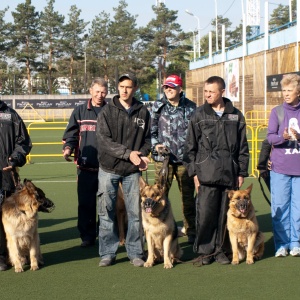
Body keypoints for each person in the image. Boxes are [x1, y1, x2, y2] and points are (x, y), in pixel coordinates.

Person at [183, 76, 249, 265]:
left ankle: (221, 250)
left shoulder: (236, 115)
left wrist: (241, 172)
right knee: (205, 215)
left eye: (211, 91)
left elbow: (243, 147)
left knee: (223, 217)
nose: (207, 95)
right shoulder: (198, 115)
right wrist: (194, 173)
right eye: (205, 91)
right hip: (206, 175)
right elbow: (190, 147)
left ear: (222, 92)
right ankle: (205, 251)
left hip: (229, 174)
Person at [96, 72, 151, 267]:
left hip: (132, 171)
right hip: (109, 168)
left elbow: (147, 140)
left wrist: (143, 154)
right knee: (106, 211)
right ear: (117, 88)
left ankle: (135, 252)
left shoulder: (143, 112)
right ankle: (108, 253)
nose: (124, 90)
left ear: (135, 88)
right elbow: (104, 141)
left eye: (128, 87)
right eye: (121, 87)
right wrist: (129, 154)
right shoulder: (107, 111)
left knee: (135, 212)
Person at [62, 78, 108, 248]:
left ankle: (105, 235)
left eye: (103, 92)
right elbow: (71, 134)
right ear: (90, 91)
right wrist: (68, 148)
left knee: (107, 204)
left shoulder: (111, 110)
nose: (100, 95)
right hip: (85, 167)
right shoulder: (80, 111)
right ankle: (87, 236)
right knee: (86, 204)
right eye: (97, 91)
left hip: (107, 168)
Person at [151, 74, 196, 244]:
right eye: (166, 87)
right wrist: (156, 145)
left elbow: (196, 134)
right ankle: (159, 229)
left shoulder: (191, 108)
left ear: (180, 89)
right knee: (158, 197)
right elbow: (151, 131)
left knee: (188, 199)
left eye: (172, 87)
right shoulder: (158, 106)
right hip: (163, 161)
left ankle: (191, 231)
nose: (168, 89)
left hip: (185, 161)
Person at [267, 73, 300, 258]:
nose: (286, 94)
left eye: (289, 90)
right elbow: (270, 136)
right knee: (280, 206)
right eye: (284, 90)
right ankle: (281, 244)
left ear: (298, 91)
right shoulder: (277, 112)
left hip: (299, 169)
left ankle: (295, 243)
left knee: (298, 208)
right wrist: (283, 137)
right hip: (280, 168)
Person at [0, 99, 32, 271]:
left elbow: (24, 141)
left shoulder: (11, 115)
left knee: (11, 217)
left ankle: (12, 255)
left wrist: (15, 159)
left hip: (6, 174)